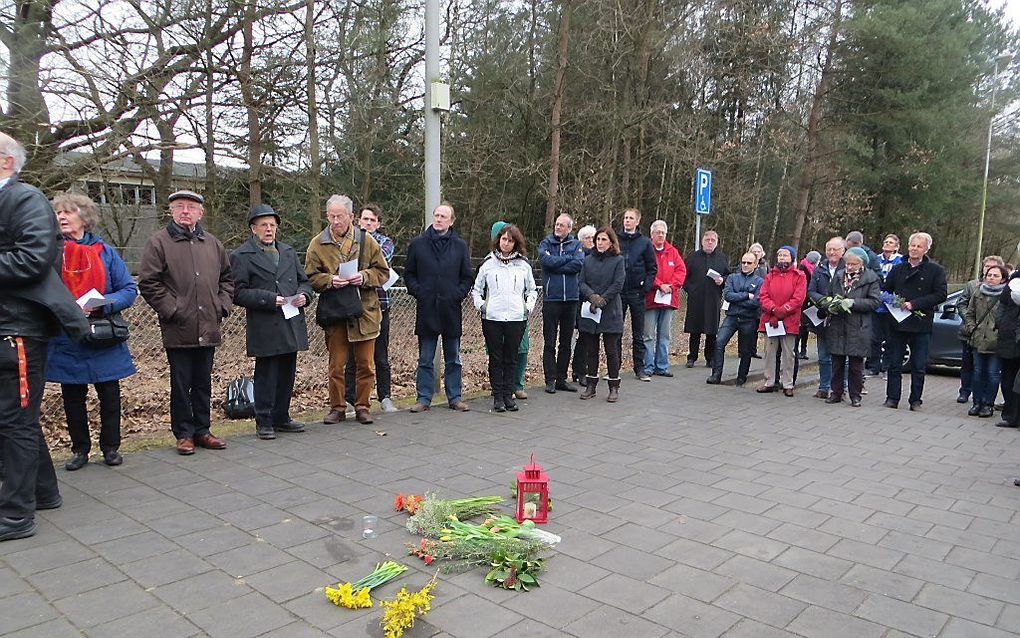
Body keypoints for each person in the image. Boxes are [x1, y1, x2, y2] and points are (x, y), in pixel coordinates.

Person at [0, 132, 89, 541]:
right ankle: (44, 492)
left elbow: (33, 259)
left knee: (14, 421)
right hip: (8, 327)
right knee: (17, 418)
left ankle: (15, 515)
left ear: (5, 162)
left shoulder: (23, 198)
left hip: (17, 328)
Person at [47, 193, 137, 469]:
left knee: (109, 393)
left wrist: (103, 304)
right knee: (73, 396)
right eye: (58, 212)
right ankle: (80, 450)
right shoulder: (49, 252)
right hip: (67, 336)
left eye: (68, 212)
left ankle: (110, 447)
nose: (61, 216)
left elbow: (128, 290)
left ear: (84, 218)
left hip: (103, 334)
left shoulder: (106, 253)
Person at [139, 189, 233, 455]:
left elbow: (227, 279)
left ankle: (203, 430)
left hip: (208, 325)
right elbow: (149, 282)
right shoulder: (159, 243)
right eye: (179, 206)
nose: (185, 211)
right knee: (181, 384)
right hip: (178, 327)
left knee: (203, 381)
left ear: (200, 213)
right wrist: (173, 309)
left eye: (191, 207)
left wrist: (221, 306)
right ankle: (183, 433)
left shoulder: (213, 244)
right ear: (171, 211)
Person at [230, 204, 313, 440]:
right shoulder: (241, 256)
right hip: (265, 323)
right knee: (266, 373)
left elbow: (304, 282)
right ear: (253, 229)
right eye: (264, 225)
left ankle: (281, 417)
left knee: (287, 371)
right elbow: (237, 292)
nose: (269, 229)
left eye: (272, 225)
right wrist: (268, 299)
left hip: (290, 319)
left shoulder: (288, 252)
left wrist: (304, 296)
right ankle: (264, 419)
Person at [305, 195, 390, 425]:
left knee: (366, 364)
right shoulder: (317, 243)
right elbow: (310, 277)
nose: (335, 221)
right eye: (331, 216)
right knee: (336, 365)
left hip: (365, 311)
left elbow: (383, 272)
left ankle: (363, 406)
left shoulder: (366, 241)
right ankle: (337, 407)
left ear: (351, 217)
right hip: (335, 313)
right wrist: (330, 280)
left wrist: (363, 277)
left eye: (339, 216)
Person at [404, 203, 474, 413]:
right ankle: (423, 398)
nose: (439, 219)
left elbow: (467, 276)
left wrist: (457, 294)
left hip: (451, 309)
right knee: (425, 358)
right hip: (427, 309)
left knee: (453, 357)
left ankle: (455, 397)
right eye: (436, 215)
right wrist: (420, 292)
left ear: (451, 221)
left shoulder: (460, 246)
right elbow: (409, 274)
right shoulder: (418, 244)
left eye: (443, 216)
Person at [473, 224, 537, 412]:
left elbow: (531, 290)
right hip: (492, 317)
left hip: (516, 317)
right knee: (496, 357)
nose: (506, 243)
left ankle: (509, 395)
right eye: (503, 239)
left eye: (510, 240)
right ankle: (498, 397)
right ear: (498, 240)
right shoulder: (488, 264)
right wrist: (482, 306)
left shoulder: (523, 265)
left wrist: (527, 307)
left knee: (511, 357)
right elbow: (477, 290)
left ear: (516, 243)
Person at [882, 232, 948, 411]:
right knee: (895, 363)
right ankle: (892, 398)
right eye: (912, 245)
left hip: (921, 323)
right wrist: (891, 301)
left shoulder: (936, 270)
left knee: (919, 365)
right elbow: (886, 289)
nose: (914, 249)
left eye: (919, 246)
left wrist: (915, 304)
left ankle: (916, 400)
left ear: (926, 249)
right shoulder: (898, 268)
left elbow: (940, 294)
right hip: (898, 322)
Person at [344, 204, 398, 413]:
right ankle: (349, 399)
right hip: (352, 305)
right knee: (352, 356)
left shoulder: (385, 242)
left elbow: (381, 264)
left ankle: (385, 397)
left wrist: (362, 270)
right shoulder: (348, 241)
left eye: (372, 220)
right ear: (358, 220)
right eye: (365, 219)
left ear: (378, 223)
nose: (368, 223)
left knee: (381, 355)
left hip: (380, 305)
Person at [821, 247, 881, 407]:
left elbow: (875, 302)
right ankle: (836, 392)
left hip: (858, 326)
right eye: (847, 263)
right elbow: (830, 294)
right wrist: (831, 305)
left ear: (861, 264)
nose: (849, 267)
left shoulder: (871, 278)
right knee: (837, 362)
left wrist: (853, 303)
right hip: (838, 324)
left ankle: (855, 395)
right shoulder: (839, 276)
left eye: (853, 264)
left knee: (855, 364)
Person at [578, 227, 626, 401]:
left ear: (611, 242)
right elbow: (581, 282)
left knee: (611, 351)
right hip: (591, 310)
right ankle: (591, 385)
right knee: (591, 350)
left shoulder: (618, 260)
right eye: (598, 239)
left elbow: (618, 283)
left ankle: (614, 386)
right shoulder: (588, 260)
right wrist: (592, 296)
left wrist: (603, 299)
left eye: (604, 239)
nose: (600, 243)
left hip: (610, 311)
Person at [538, 214, 584, 394]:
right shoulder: (545, 244)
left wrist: (557, 263)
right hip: (551, 299)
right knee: (549, 341)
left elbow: (578, 265)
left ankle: (561, 378)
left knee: (565, 342)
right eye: (556, 224)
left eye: (562, 225)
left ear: (569, 228)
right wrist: (567, 259)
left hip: (571, 299)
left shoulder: (577, 245)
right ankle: (549, 379)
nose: (558, 227)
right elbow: (546, 262)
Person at [954, 255, 1006, 405]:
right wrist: (971, 326)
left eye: (995, 274)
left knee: (992, 373)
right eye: (987, 271)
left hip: (995, 340)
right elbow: (966, 308)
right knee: (974, 370)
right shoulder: (975, 288)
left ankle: (987, 403)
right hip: (975, 336)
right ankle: (974, 399)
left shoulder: (1006, 294)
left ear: (1002, 277)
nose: (990, 275)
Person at [707, 252, 762, 386]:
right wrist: (746, 295)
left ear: (755, 265)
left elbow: (756, 302)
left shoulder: (759, 281)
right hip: (731, 317)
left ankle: (741, 376)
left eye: (749, 263)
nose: (745, 265)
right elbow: (728, 296)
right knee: (719, 343)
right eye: (743, 262)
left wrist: (739, 299)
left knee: (745, 350)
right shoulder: (732, 277)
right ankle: (716, 374)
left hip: (748, 319)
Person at [756, 246, 806, 396]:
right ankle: (769, 380)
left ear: (792, 258)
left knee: (788, 353)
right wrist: (773, 310)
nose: (782, 258)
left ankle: (788, 383)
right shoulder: (770, 275)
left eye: (785, 255)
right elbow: (763, 295)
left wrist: (782, 311)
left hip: (789, 319)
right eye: (780, 255)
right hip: (770, 318)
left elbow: (798, 298)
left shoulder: (799, 276)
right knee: (770, 351)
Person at [642, 220, 686, 377]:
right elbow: (646, 271)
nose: (660, 235)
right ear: (651, 234)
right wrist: (659, 285)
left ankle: (662, 366)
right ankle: (647, 366)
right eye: (657, 232)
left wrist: (671, 286)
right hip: (650, 299)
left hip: (668, 300)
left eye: (663, 232)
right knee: (648, 335)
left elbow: (681, 271)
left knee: (664, 335)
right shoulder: (647, 250)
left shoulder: (673, 252)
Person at [617, 208, 657, 381]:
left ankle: (639, 368)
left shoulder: (645, 243)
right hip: (618, 293)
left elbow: (652, 268)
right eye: (625, 218)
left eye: (631, 218)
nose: (627, 221)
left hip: (637, 293)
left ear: (637, 221)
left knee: (638, 333)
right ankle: (614, 368)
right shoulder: (616, 239)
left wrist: (645, 288)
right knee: (615, 332)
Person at [807, 237, 846, 399]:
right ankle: (824, 387)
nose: (831, 252)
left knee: (842, 357)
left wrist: (837, 303)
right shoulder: (819, 268)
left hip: (842, 318)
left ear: (843, 251)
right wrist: (824, 302)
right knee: (823, 356)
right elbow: (811, 291)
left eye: (835, 249)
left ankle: (841, 388)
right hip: (822, 317)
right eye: (829, 249)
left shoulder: (849, 267)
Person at [683, 230, 729, 367]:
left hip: (713, 298)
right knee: (694, 330)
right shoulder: (692, 257)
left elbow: (729, 276)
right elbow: (684, 276)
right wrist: (689, 289)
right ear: (702, 241)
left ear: (717, 243)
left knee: (711, 331)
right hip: (695, 298)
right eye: (707, 239)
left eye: (712, 240)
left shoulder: (721, 258)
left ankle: (710, 358)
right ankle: (692, 357)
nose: (710, 242)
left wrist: (722, 280)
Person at [867, 234, 904, 377]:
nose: (887, 244)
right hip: (876, 305)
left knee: (890, 339)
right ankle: (873, 366)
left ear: (896, 246)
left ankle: (886, 367)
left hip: (892, 306)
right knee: (874, 337)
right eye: (885, 242)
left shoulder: (900, 261)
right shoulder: (876, 259)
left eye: (890, 243)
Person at [570, 224, 596, 385]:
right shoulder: (580, 257)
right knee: (583, 335)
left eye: (593, 237)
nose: (591, 241)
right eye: (587, 238)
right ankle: (579, 370)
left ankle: (582, 368)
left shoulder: (599, 257)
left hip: (594, 301)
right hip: (580, 300)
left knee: (588, 337)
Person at [996, 268, 1020, 429]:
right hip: (1009, 335)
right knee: (1008, 379)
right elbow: (1002, 303)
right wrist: (1000, 322)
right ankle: (1011, 415)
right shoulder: (1015, 278)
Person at [796, 250, 821, 359]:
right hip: (803, 302)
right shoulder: (803, 271)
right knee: (801, 327)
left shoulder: (812, 270)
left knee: (805, 327)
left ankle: (803, 350)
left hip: (809, 302)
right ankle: (797, 349)